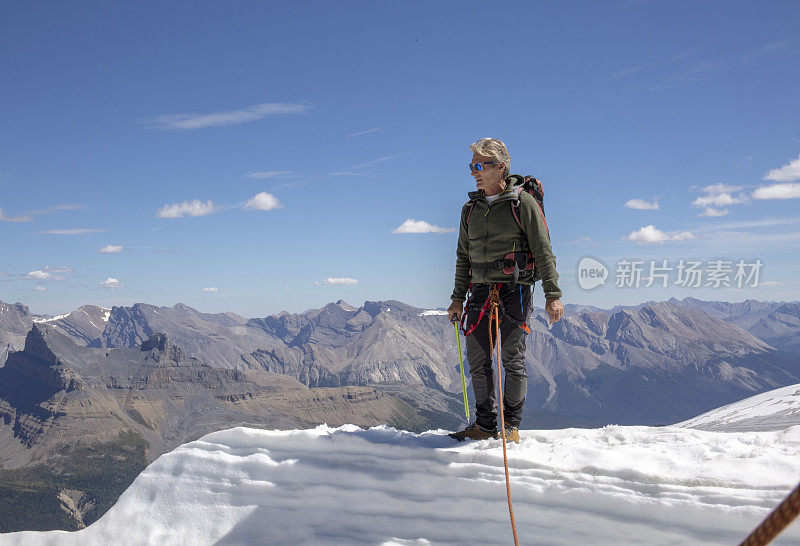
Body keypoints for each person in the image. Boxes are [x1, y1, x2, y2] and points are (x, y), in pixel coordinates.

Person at [447, 138, 564, 443]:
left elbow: (542, 248)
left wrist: (553, 295)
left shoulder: (521, 203)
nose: (474, 171)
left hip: (516, 289)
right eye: (471, 165)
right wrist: (457, 299)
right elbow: (463, 257)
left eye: (479, 164)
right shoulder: (469, 209)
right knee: (478, 358)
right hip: (480, 291)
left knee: (512, 358)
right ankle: (485, 425)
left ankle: (510, 427)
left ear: (500, 167)